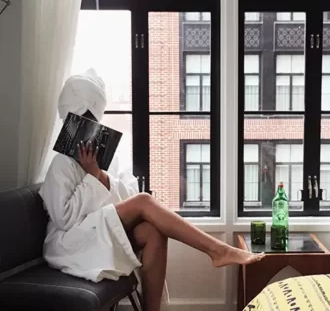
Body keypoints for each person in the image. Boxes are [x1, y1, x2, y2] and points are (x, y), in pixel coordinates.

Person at [39, 69, 264, 311]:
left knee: (153, 233)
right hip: (70, 243)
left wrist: (100, 174)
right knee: (145, 201)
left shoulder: (104, 156)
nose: (91, 123)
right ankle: (217, 249)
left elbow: (125, 196)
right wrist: (93, 177)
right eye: (84, 118)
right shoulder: (61, 163)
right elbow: (64, 219)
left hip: (98, 232)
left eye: (93, 118)